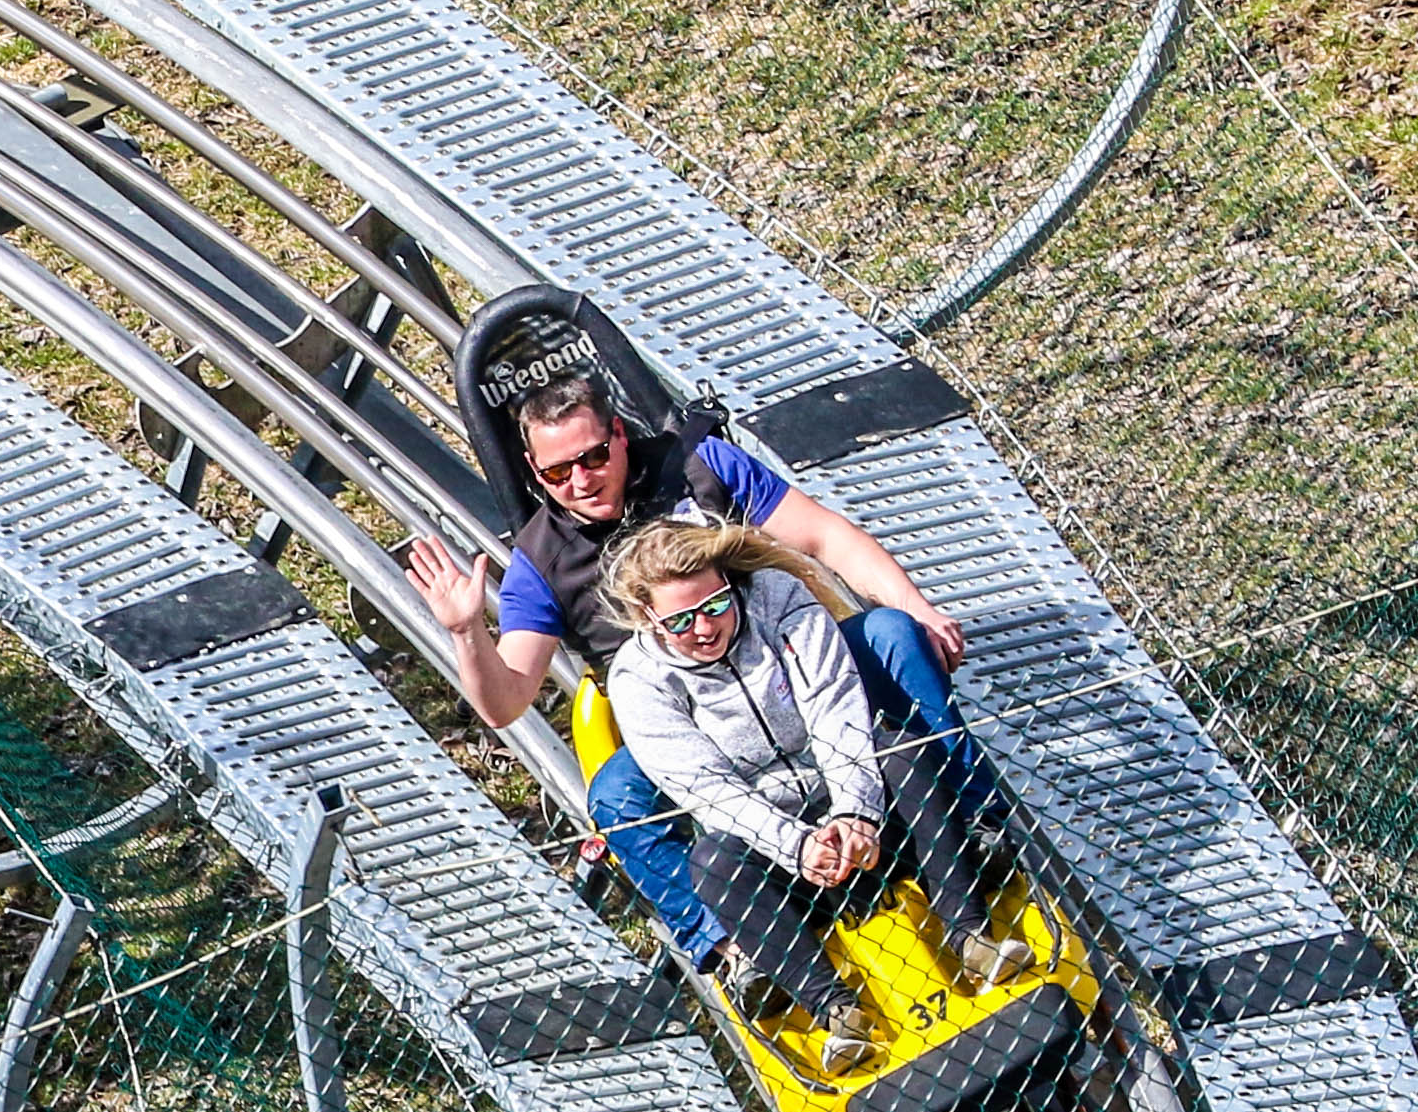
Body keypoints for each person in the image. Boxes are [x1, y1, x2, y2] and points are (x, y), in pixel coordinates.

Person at [400, 357, 979, 968]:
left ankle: (973, 818)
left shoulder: (701, 467)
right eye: (558, 473)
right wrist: (467, 632)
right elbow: (507, 701)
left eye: (594, 457)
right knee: (616, 795)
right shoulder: (539, 563)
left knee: (890, 632)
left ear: (619, 434)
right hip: (684, 720)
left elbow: (825, 538)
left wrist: (918, 607)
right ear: (535, 475)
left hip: (781, 668)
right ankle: (733, 945)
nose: (582, 481)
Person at [596, 522, 1013, 1046]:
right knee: (712, 862)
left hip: (850, 797)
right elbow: (707, 788)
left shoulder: (777, 598)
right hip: (776, 840)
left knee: (898, 749)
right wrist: (796, 846)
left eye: (716, 606)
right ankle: (834, 1008)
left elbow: (833, 706)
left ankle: (970, 928)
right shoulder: (638, 679)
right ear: (648, 618)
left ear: (730, 584)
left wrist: (856, 812)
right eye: (680, 621)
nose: (703, 628)